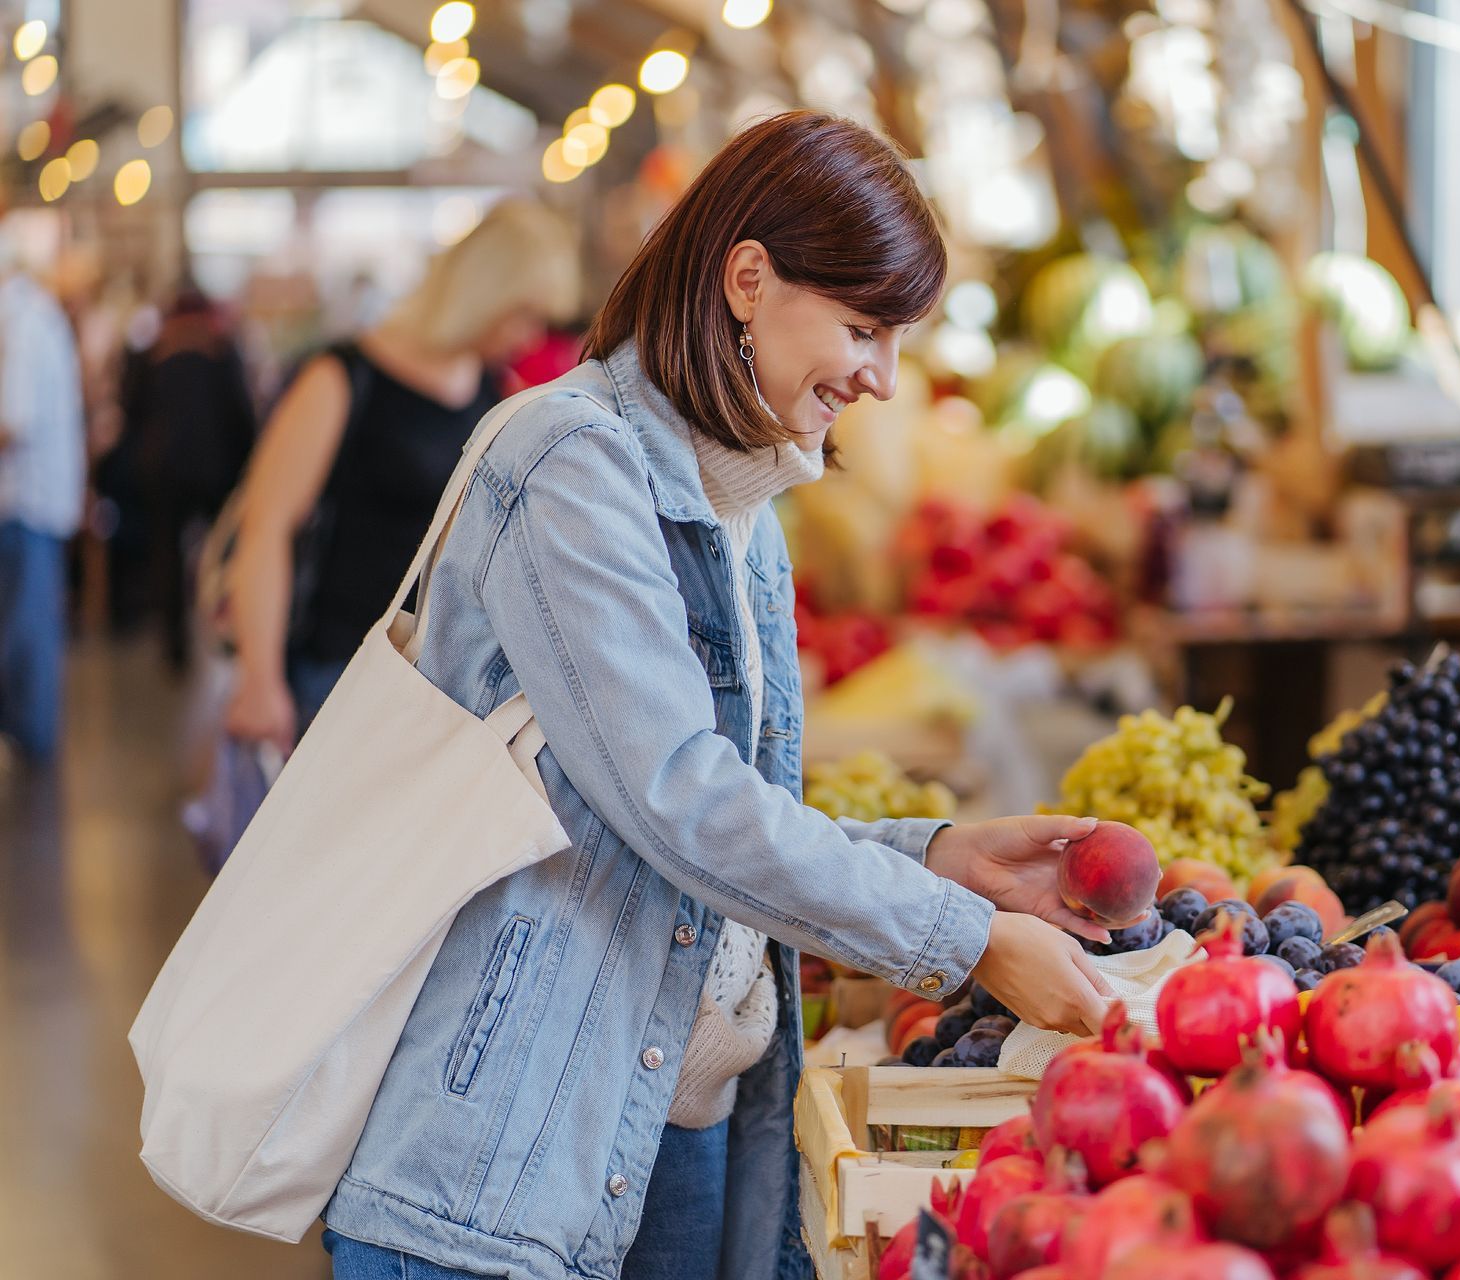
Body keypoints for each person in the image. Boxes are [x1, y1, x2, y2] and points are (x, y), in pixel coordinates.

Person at [318, 112, 1114, 1280]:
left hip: (669, 1125)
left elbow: (699, 816)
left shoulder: (740, 503)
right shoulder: (571, 466)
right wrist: (963, 939)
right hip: (504, 1161)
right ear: (748, 278)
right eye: (861, 327)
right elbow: (676, 798)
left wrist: (938, 857)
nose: (884, 378)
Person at [222, 199, 582, 752]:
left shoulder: (488, 387)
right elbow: (266, 526)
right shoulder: (344, 375)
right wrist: (260, 678)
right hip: (340, 671)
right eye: (523, 314)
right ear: (486, 294)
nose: (530, 335)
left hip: (438, 688)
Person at [115, 287, 258, 670]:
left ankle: (174, 648)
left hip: (163, 468)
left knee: (167, 554)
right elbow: (241, 414)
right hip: (216, 470)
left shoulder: (152, 353)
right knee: (226, 553)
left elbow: (130, 412)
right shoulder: (221, 350)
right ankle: (228, 630)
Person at [0, 232, 86, 765]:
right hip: (37, 501)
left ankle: (30, 739)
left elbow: (12, 422)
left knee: (27, 627)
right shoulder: (34, 313)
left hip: (25, 502)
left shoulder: (20, 323)